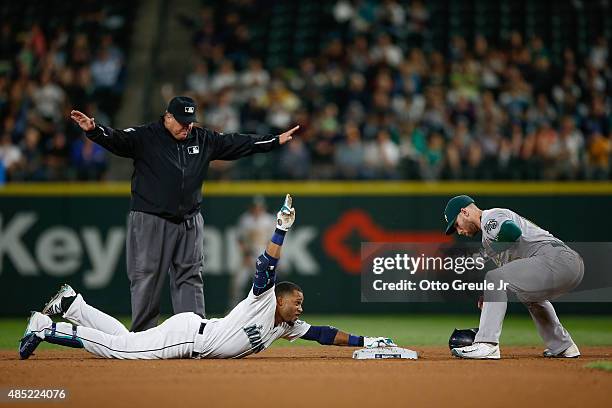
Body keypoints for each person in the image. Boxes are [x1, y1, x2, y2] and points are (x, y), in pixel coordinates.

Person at [19, 195, 395, 360]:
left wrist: (368, 339)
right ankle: (44, 329)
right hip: (187, 339)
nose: (300, 308)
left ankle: (73, 305)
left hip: (192, 331)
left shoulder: (286, 326)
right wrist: (280, 230)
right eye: (296, 301)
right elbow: (266, 267)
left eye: (301, 304)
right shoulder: (264, 299)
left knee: (127, 341)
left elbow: (325, 335)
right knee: (119, 351)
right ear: (279, 298)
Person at [70, 96, 300, 332]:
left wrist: (274, 140)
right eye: (182, 121)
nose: (187, 126)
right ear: (168, 117)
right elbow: (118, 139)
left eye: (190, 121)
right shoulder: (146, 136)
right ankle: (143, 337)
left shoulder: (202, 138)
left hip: (189, 219)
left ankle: (194, 334)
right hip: (151, 218)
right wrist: (95, 130)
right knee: (147, 278)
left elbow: (238, 143)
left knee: (190, 277)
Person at [443, 195, 584, 359]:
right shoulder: (489, 237)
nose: (459, 231)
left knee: (493, 277)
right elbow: (507, 279)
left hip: (557, 259)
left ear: (464, 212)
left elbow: (512, 232)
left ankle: (487, 344)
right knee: (528, 295)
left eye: (456, 224)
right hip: (568, 266)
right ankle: (563, 346)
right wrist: (490, 296)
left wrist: (483, 257)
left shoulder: (490, 217)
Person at [229, 195, 276, 309]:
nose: (257, 209)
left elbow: (274, 241)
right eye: (255, 207)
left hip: (263, 256)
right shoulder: (245, 219)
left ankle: (268, 311)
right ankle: (233, 310)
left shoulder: (269, 220)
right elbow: (240, 239)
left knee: (266, 287)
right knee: (238, 284)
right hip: (248, 256)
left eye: (259, 207)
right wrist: (246, 255)